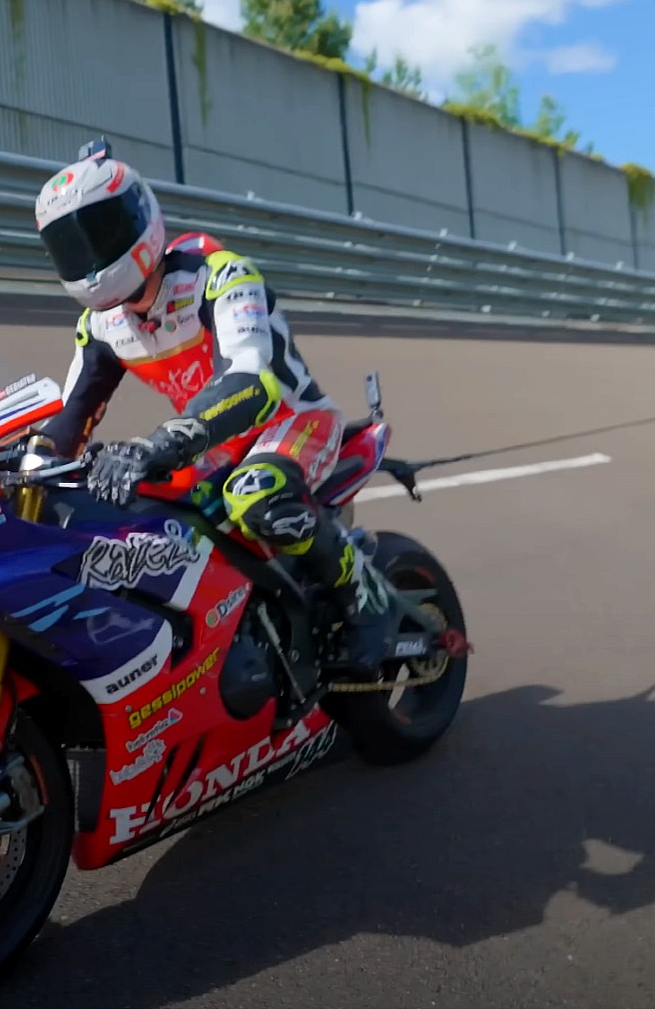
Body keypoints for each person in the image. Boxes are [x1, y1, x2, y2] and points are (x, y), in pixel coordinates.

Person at [31, 139, 394, 707]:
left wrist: (160, 442)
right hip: (213, 445)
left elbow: (253, 376)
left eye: (100, 233)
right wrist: (30, 461)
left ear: (140, 216)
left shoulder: (219, 275)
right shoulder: (98, 326)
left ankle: (363, 601)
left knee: (256, 494)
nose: (91, 256)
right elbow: (71, 414)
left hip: (291, 422)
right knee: (137, 517)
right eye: (71, 245)